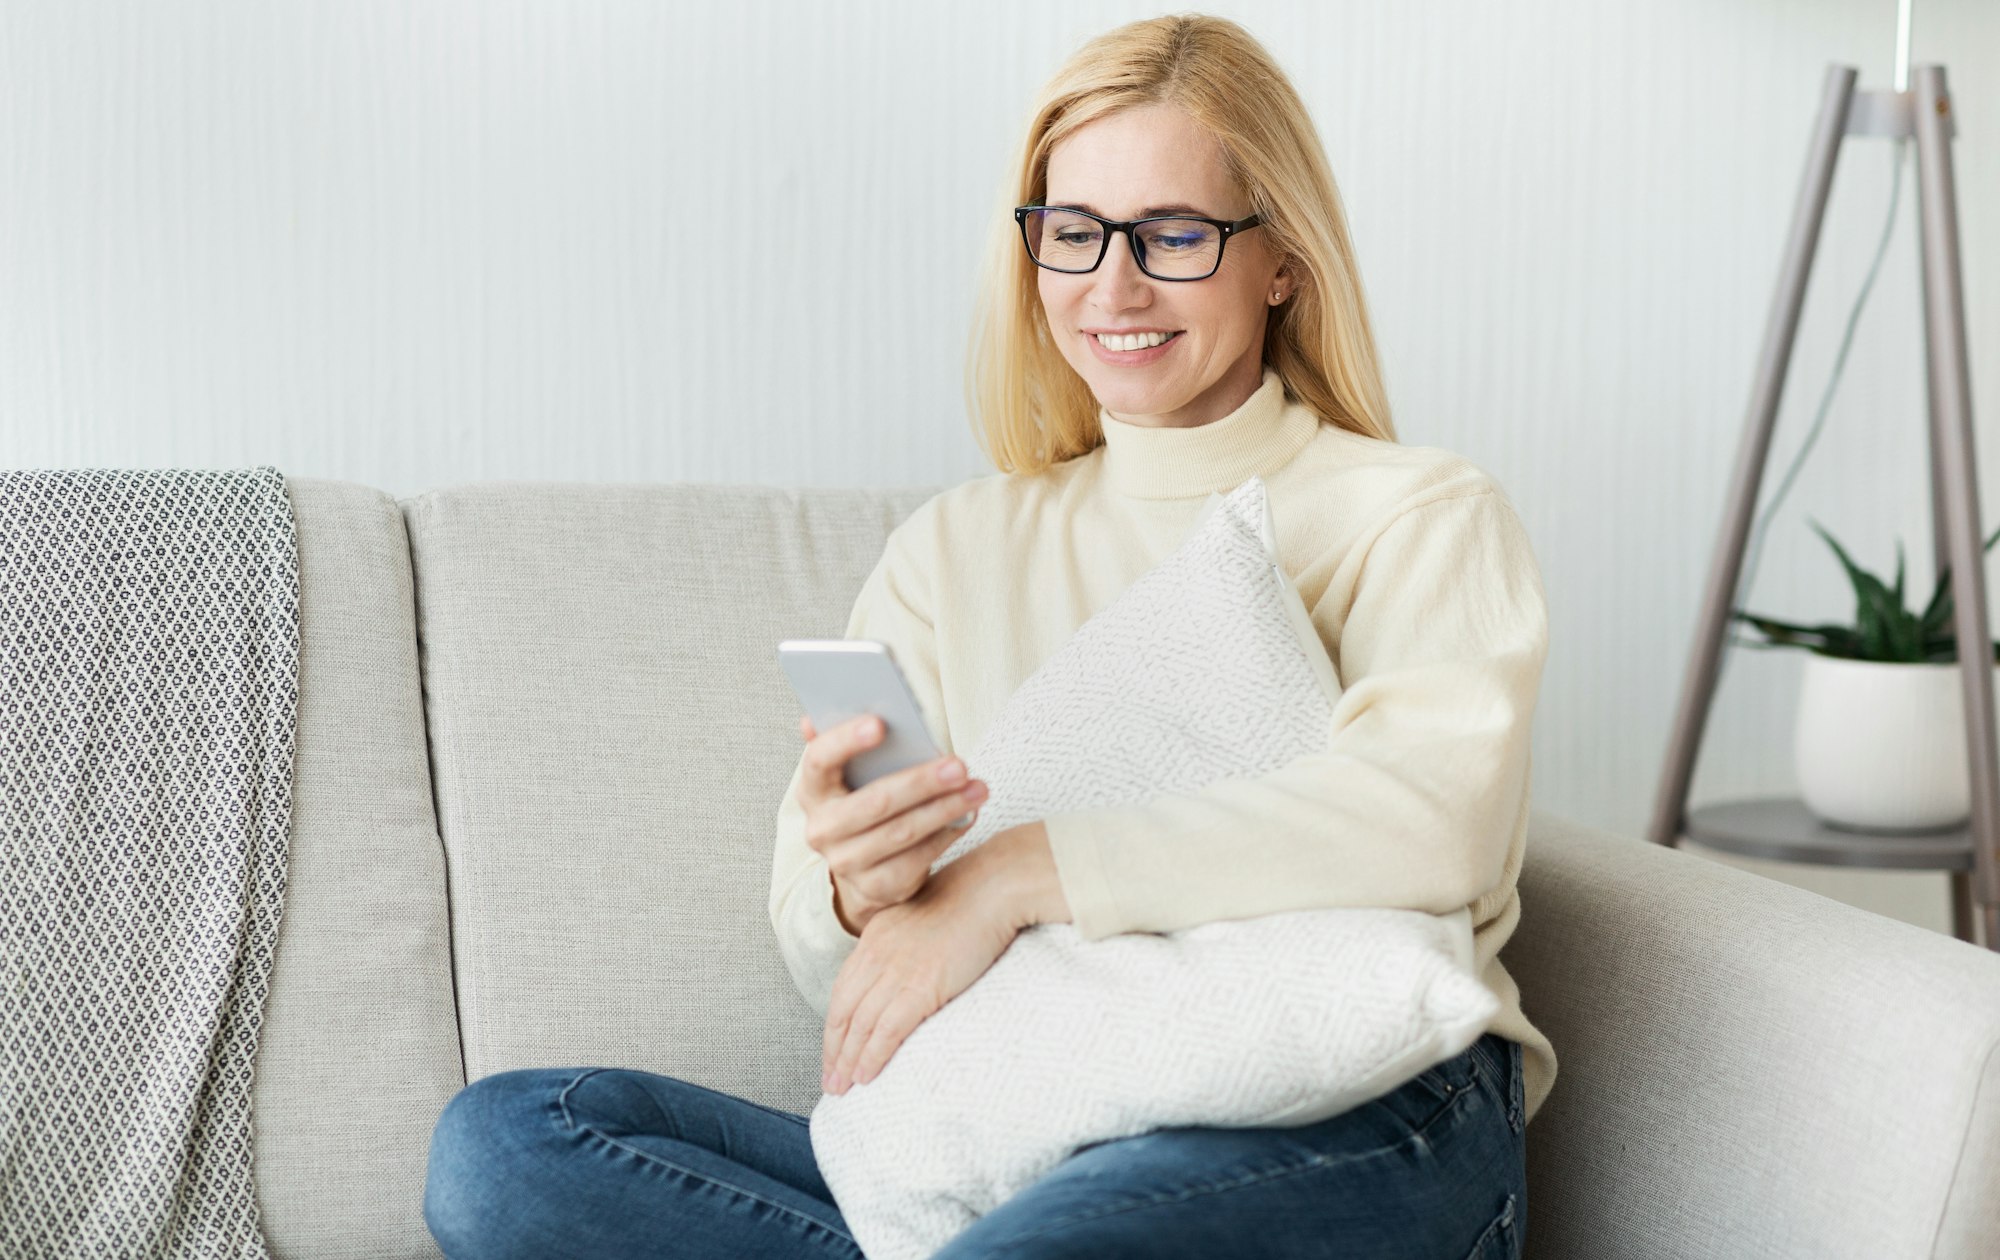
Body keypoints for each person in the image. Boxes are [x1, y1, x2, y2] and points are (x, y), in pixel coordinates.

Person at [422, 13, 1548, 1259]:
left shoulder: (1414, 512)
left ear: (1280, 258)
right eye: (1072, 234)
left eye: (1172, 235)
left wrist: (1011, 878)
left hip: (1346, 1104)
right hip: (1031, 1112)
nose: (1110, 287)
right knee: (510, 1148)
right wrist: (867, 889)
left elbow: (1427, 824)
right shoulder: (952, 549)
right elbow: (837, 968)